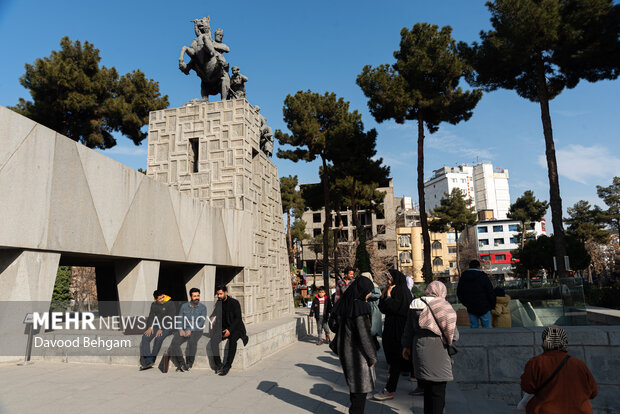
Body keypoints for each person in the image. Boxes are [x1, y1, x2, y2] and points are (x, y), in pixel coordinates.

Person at [402, 281, 458, 414]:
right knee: (438, 390)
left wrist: (405, 346)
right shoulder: (445, 306)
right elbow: (454, 334)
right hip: (439, 348)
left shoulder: (415, 303)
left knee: (426, 389)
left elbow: (408, 328)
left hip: (419, 347)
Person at [520, 326, 597, 413]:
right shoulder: (579, 364)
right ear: (564, 341)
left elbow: (527, 387)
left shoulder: (536, 363)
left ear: (545, 341)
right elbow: (593, 391)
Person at [330, 276, 377, 414]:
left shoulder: (344, 303)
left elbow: (333, 325)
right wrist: (372, 356)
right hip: (358, 354)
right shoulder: (359, 307)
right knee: (360, 390)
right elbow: (364, 336)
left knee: (354, 386)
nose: (369, 294)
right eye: (369, 291)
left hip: (345, 351)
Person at [373, 269, 413, 401]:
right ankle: (421, 384)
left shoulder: (402, 291)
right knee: (399, 358)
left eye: (389, 279)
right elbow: (382, 308)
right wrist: (384, 293)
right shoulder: (394, 290)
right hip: (392, 327)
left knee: (396, 358)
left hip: (399, 329)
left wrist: (389, 296)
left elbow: (394, 308)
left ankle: (389, 389)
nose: (388, 281)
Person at [211, 285, 249, 376]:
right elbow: (214, 314)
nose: (219, 296)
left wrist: (230, 330)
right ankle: (219, 365)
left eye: (220, 294)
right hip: (224, 329)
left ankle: (228, 366)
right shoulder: (218, 303)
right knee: (213, 340)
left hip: (236, 328)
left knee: (232, 341)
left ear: (226, 293)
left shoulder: (234, 303)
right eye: (217, 294)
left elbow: (238, 319)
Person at [167, 288, 207, 372]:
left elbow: (201, 322)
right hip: (184, 329)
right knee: (174, 343)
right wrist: (180, 329)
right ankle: (182, 363)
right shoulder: (184, 306)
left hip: (196, 330)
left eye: (198, 296)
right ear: (191, 297)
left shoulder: (203, 307)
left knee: (192, 341)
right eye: (194, 296)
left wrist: (191, 330)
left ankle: (189, 363)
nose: (197, 297)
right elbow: (180, 319)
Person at [140, 290, 176, 370]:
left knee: (158, 338)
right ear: (155, 299)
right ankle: (149, 361)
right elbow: (151, 316)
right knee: (145, 337)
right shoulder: (154, 305)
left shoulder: (170, 303)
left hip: (169, 326)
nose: (162, 299)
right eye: (160, 299)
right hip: (158, 326)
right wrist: (150, 327)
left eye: (163, 297)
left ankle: (152, 359)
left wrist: (162, 329)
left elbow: (171, 317)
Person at [457, 260, 496, 328]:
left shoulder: (464, 277)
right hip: (484, 306)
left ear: (469, 266)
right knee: (487, 327)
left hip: (471, 306)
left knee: (473, 327)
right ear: (478, 267)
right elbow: (490, 292)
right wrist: (492, 305)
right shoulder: (483, 276)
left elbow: (459, 292)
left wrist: (466, 303)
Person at [360, 272, 382, 338]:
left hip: (374, 308)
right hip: (369, 307)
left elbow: (378, 295)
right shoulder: (366, 285)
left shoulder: (374, 286)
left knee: (374, 327)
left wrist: (369, 296)